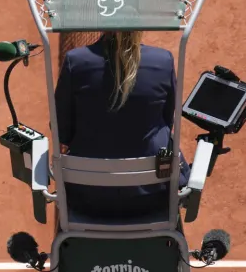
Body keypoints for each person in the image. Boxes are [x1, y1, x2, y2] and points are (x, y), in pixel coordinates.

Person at [54, 31, 191, 219]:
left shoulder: (75, 61)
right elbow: (167, 121)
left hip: (86, 201)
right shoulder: (163, 61)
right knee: (166, 141)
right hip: (152, 201)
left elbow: (62, 132)